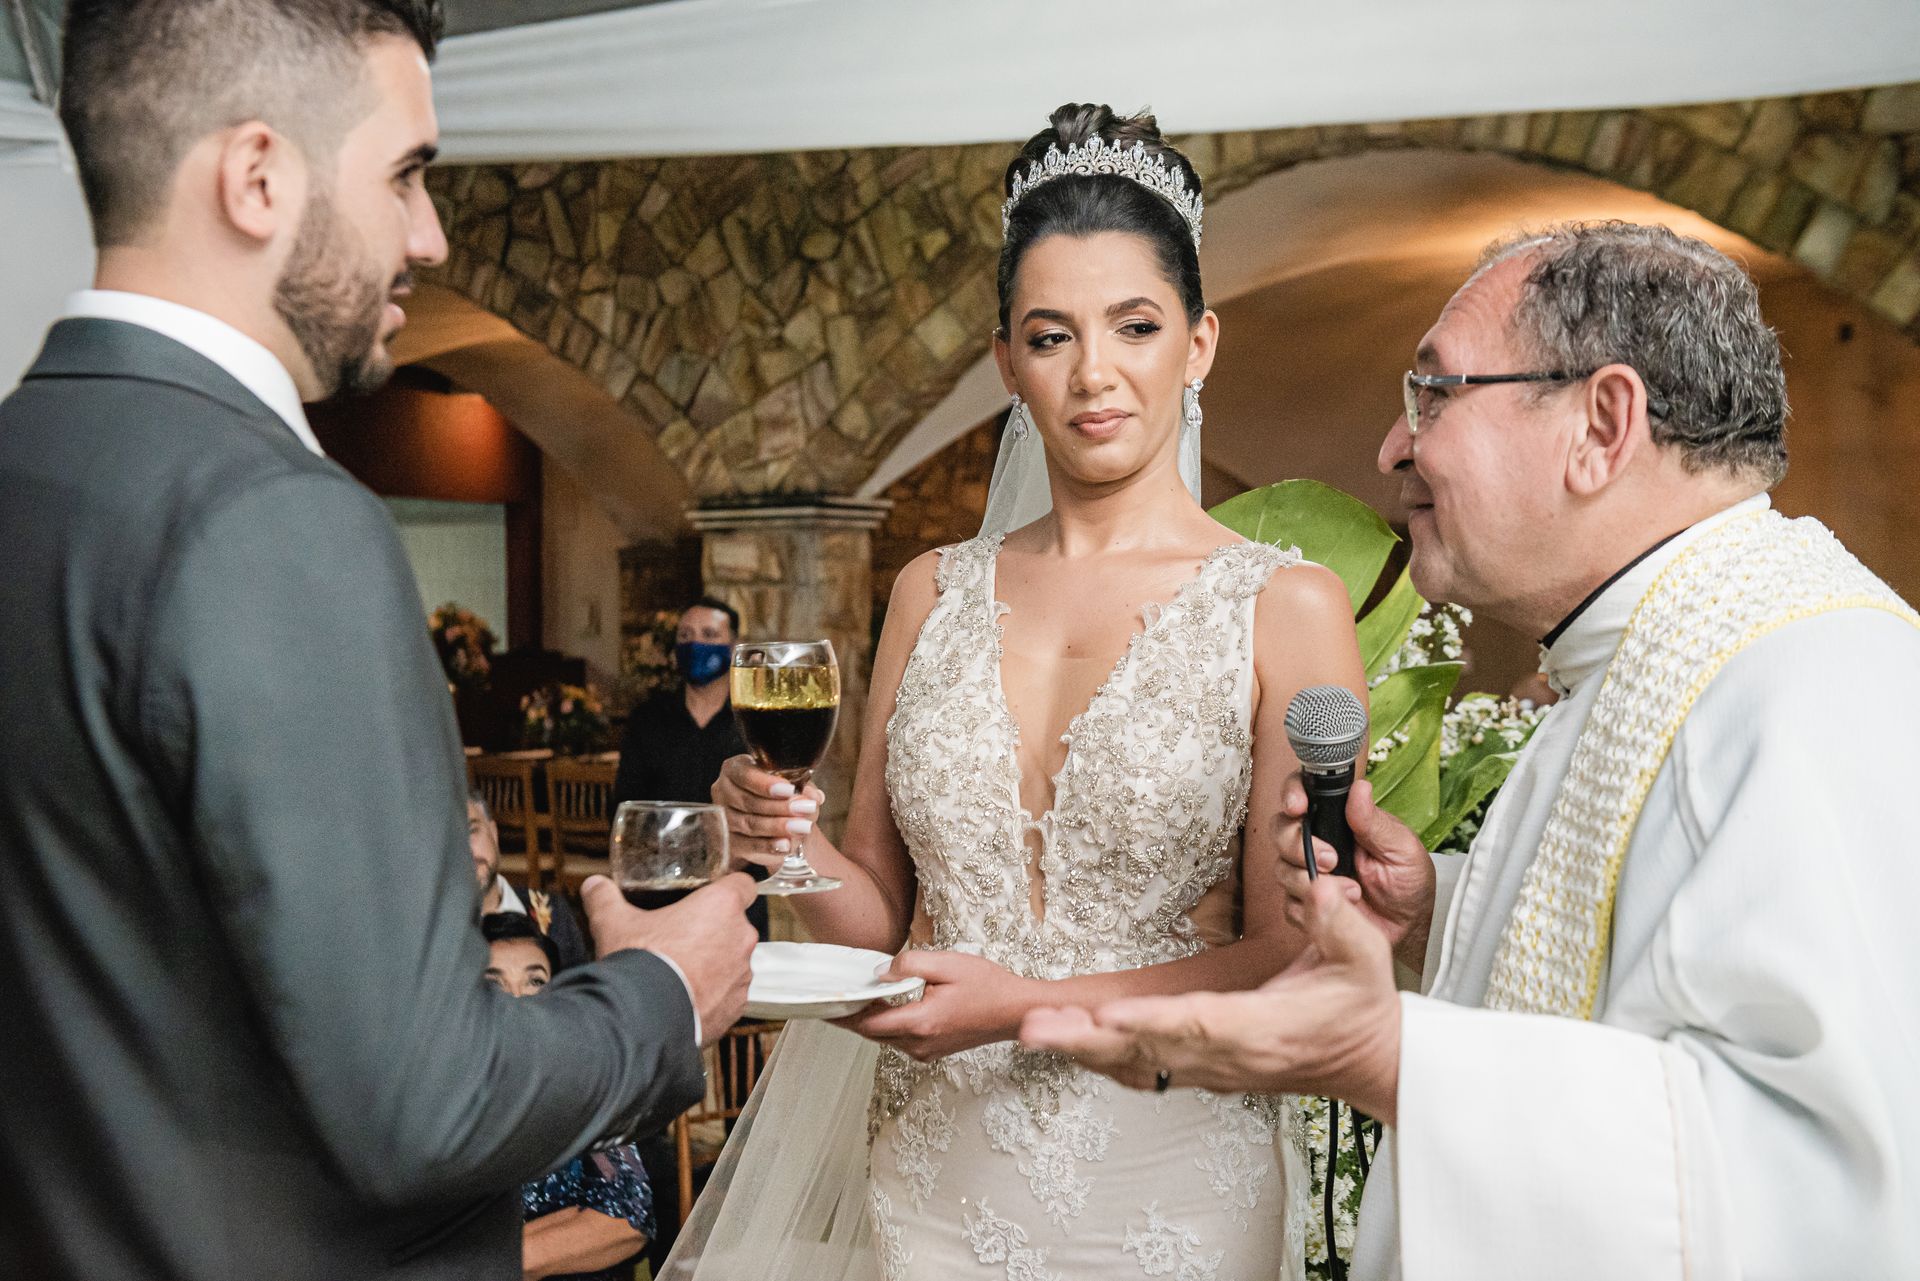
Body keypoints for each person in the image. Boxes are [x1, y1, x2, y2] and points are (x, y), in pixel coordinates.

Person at [0, 3, 756, 1278]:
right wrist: (659, 995)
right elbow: (426, 1106)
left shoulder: (26, 467)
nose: (431, 234)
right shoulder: (275, 522)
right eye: (406, 174)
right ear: (257, 177)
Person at [1022, 222, 1920, 1279]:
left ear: (1602, 423)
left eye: (1435, 397)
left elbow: (1827, 1184)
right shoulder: (1648, 656)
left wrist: (1396, 1059)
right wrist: (1434, 909)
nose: (1394, 448)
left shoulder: (1814, 685)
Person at [692, 104, 1366, 1280]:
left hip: (1171, 1175)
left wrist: (1017, 1006)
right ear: (1007, 359)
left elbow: (1287, 956)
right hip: (932, 1173)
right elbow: (879, 915)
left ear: (1199, 344)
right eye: (1050, 337)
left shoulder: (1284, 606)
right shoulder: (927, 592)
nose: (1094, 375)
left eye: (1136, 327)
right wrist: (781, 845)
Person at [481, 914, 658, 1281]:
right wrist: (568, 1223)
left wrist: (489, 1261)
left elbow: (627, 1220)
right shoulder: (439, 1095)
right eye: (494, 984)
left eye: (534, 981)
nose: (517, 999)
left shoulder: (587, 1088)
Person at [614, 596, 769, 939]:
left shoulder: (755, 721)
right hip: (658, 894)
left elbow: (764, 814)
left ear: (733, 646)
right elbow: (626, 810)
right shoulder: (647, 719)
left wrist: (717, 866)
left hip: (736, 894)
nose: (695, 644)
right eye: (685, 636)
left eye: (709, 635)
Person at [472, 791, 590, 970]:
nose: (465, 851)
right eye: (446, 838)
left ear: (493, 834)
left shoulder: (553, 914)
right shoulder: (423, 934)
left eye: (471, 830)